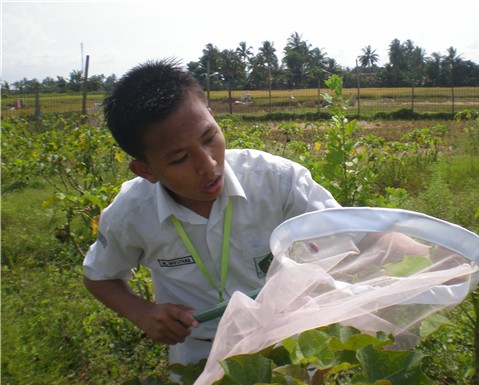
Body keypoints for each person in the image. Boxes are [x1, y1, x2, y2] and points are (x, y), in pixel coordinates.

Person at [83, 58, 340, 369]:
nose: (208, 165)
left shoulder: (277, 182)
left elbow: (353, 233)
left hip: (288, 341)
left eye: (209, 138)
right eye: (179, 158)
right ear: (145, 170)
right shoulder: (131, 215)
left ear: (213, 117)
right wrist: (143, 313)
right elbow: (100, 276)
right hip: (199, 355)